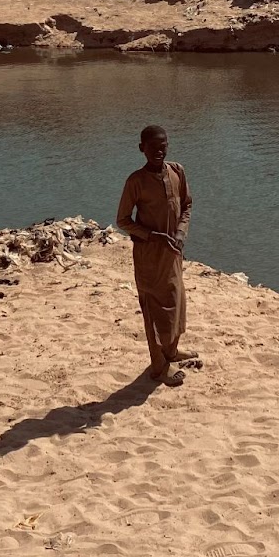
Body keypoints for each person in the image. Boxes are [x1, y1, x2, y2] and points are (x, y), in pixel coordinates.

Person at [115, 125, 196, 387]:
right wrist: (152, 235)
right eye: (153, 147)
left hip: (174, 252)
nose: (158, 152)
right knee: (155, 308)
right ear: (142, 149)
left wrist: (181, 234)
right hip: (149, 254)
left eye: (163, 146)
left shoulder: (177, 172)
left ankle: (171, 352)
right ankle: (159, 366)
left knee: (176, 302)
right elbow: (123, 220)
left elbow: (186, 205)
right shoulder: (135, 181)